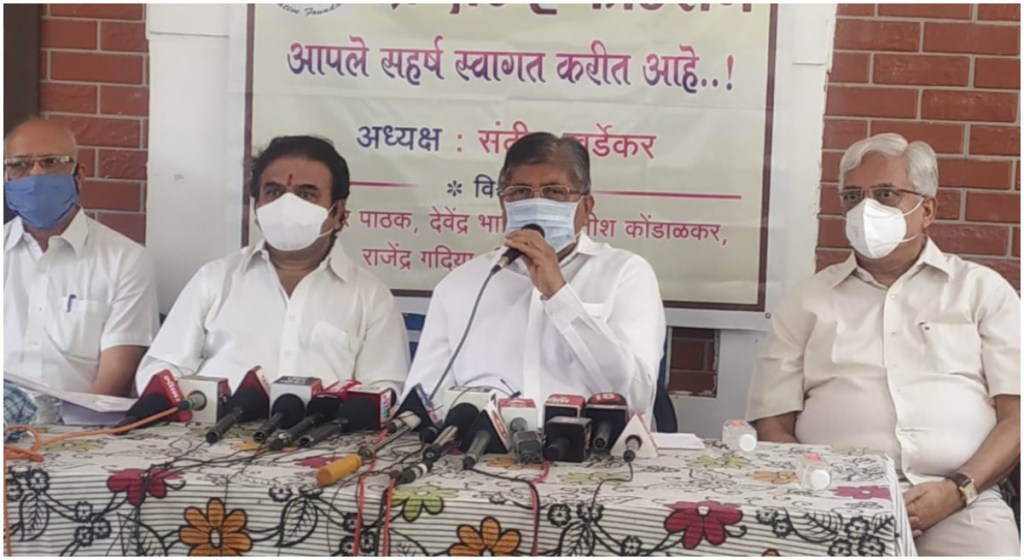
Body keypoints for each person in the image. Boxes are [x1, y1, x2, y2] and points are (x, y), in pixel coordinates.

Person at [746, 133, 1020, 556]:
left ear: (927, 210)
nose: (865, 209)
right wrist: (830, 490)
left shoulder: (982, 292)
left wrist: (958, 489)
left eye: (885, 194)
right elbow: (771, 426)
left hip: (962, 502)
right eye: (852, 196)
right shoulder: (806, 302)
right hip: (829, 498)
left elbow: (1017, 418)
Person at [403, 132, 666, 420]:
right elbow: (423, 400)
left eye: (554, 191)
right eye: (520, 192)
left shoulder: (625, 274)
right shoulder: (462, 284)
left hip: (590, 445)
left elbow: (636, 395)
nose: (536, 203)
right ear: (503, 204)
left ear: (586, 206)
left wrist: (560, 295)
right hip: (481, 443)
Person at [135, 135, 409, 393]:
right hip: (212, 425)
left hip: (321, 427)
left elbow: (384, 390)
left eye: (306, 195)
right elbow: (159, 370)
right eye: (274, 192)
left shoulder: (370, 296)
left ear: (338, 212)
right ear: (257, 207)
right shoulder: (215, 278)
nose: (286, 205)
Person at [4, 118, 159, 396]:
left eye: (51, 162)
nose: (36, 175)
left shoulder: (125, 261)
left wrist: (62, 426)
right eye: (20, 164)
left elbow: (115, 378)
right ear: (6, 176)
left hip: (77, 419)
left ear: (79, 174)